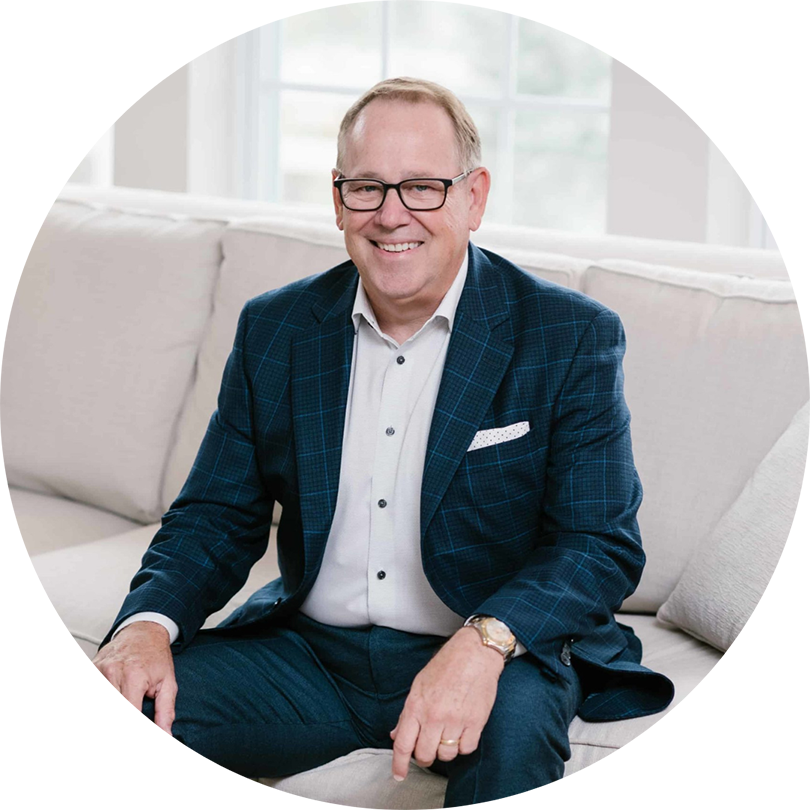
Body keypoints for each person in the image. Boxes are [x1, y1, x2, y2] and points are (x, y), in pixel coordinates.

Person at [92, 77, 674, 809]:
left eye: (424, 187)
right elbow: (215, 515)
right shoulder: (278, 329)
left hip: (484, 646)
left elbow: (598, 542)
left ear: (474, 197)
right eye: (367, 188)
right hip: (308, 657)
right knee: (108, 719)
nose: (392, 214)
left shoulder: (567, 335)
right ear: (338, 200)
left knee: (515, 747)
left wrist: (484, 642)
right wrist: (146, 624)